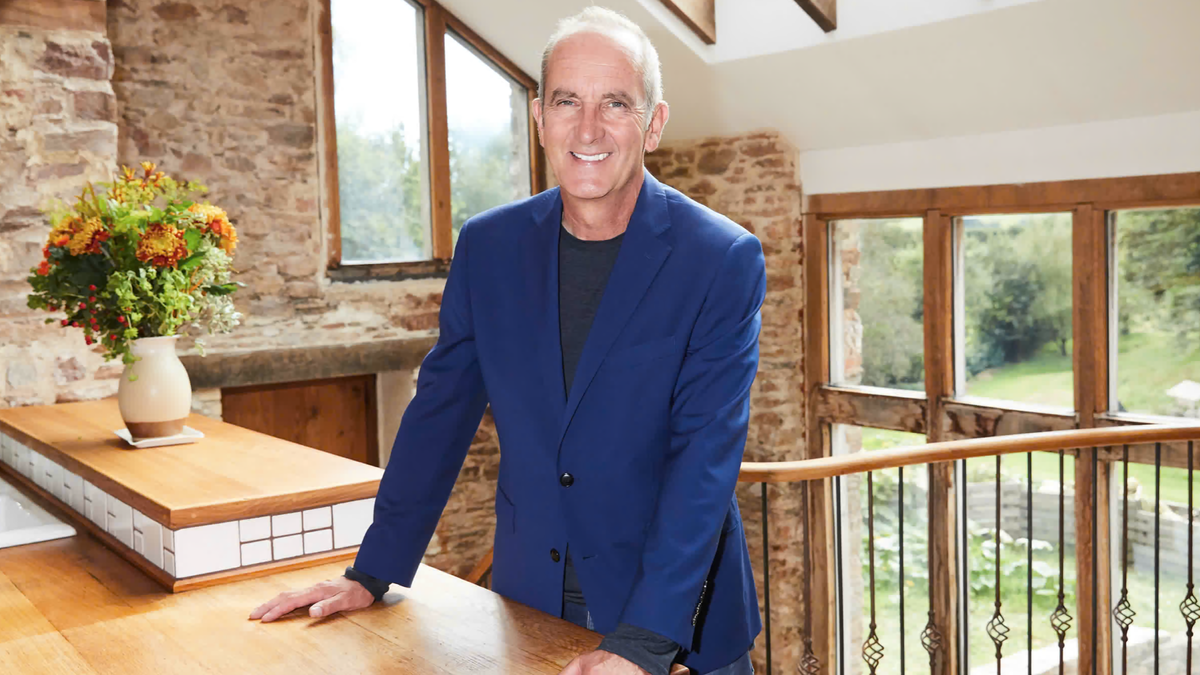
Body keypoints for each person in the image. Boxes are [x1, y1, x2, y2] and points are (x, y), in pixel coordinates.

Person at [250, 7, 763, 675]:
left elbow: (704, 460)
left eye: (615, 102)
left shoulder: (720, 258)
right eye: (567, 101)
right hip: (528, 605)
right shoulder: (488, 247)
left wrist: (642, 642)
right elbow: (439, 413)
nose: (588, 128)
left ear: (655, 122)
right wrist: (372, 570)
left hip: (675, 626)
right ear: (539, 116)